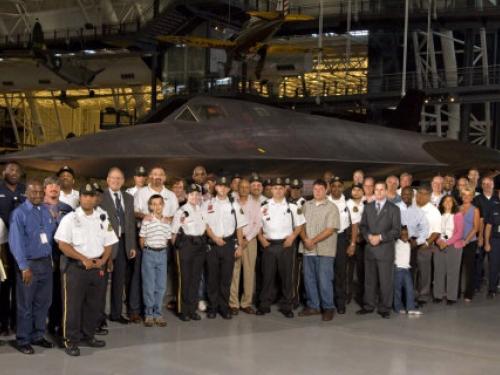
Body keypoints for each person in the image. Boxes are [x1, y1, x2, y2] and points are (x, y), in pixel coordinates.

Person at [54, 183, 118, 357]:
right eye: (85, 195)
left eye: (92, 196)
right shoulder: (70, 218)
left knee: (93, 305)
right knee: (72, 307)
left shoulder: (103, 217)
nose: (89, 199)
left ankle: (88, 336)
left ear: (96, 198)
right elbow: (62, 245)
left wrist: (103, 261)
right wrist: (83, 259)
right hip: (76, 269)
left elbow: (109, 242)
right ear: (80, 197)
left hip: (97, 268)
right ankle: (71, 340)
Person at [9, 180, 56, 354]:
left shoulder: (46, 210)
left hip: (45, 263)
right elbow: (16, 243)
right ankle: (23, 339)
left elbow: (49, 236)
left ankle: (38, 336)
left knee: (43, 303)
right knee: (25, 305)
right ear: (26, 193)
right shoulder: (19, 214)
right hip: (28, 265)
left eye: (39, 192)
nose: (37, 195)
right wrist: (23, 267)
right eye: (32, 192)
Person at [257, 177, 305, 318]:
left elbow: (300, 224)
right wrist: (261, 238)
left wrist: (291, 238)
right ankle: (264, 305)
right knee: (267, 277)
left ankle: (287, 306)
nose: (278, 190)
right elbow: (257, 225)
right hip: (268, 245)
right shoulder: (263, 206)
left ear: (285, 190)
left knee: (286, 278)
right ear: (271, 189)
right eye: (275, 188)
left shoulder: (292, 206)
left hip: (286, 245)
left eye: (281, 188)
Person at [204, 176, 247, 319]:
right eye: (220, 186)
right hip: (212, 245)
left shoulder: (235, 205)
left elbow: (240, 228)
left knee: (226, 278)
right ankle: (212, 307)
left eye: (225, 186)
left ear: (229, 189)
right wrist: (215, 238)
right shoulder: (207, 204)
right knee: (212, 278)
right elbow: (205, 225)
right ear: (215, 187)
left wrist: (240, 247)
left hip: (229, 245)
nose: (222, 188)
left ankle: (224, 307)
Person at [357, 181, 401, 319]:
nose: (379, 192)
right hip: (370, 249)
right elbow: (363, 226)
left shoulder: (394, 209)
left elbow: (396, 231)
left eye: (382, 190)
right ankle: (369, 306)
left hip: (385, 250)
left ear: (386, 191)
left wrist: (380, 237)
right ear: (374, 192)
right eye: (376, 190)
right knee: (369, 281)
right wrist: (368, 236)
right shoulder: (368, 207)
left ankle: (384, 308)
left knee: (385, 281)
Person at [100, 168, 138, 324]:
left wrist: (132, 245)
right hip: (106, 244)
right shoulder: (100, 197)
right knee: (102, 283)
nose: (116, 181)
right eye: (113, 178)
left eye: (119, 178)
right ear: (108, 180)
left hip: (123, 243)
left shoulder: (128, 198)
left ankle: (116, 314)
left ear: (123, 181)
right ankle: (99, 316)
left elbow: (130, 223)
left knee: (119, 280)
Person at [298, 179, 339, 321]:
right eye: (315, 189)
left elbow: (330, 229)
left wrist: (313, 241)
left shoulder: (332, 207)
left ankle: (328, 307)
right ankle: (313, 306)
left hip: (325, 250)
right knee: (309, 279)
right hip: (307, 248)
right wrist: (305, 240)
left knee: (324, 279)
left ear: (326, 190)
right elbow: (300, 225)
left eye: (321, 189)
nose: (317, 191)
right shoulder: (306, 206)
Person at [171, 183, 207, 322]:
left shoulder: (201, 210)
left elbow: (204, 228)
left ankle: (192, 309)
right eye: (192, 194)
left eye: (197, 194)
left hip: (199, 246)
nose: (195, 197)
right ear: (187, 195)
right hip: (185, 245)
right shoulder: (181, 211)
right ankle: (183, 310)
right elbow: (173, 233)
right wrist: (178, 249)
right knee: (184, 279)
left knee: (195, 279)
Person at [43, 177, 73, 336]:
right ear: (44, 189)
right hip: (43, 256)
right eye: (50, 185)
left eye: (56, 185)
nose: (53, 188)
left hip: (62, 256)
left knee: (59, 291)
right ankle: (41, 325)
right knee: (43, 292)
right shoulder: (38, 207)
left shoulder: (67, 209)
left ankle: (56, 323)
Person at [0, 161, 26, 335]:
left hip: (21, 246)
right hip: (2, 244)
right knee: (3, 285)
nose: (14, 172)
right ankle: (3, 323)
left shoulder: (25, 190)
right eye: (11, 169)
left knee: (19, 285)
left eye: (17, 170)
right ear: (4, 172)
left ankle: (17, 322)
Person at [229, 179, 261, 315]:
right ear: (237, 188)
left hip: (250, 240)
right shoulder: (231, 202)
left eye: (246, 187)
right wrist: (237, 240)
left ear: (249, 189)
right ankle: (233, 304)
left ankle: (246, 303)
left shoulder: (255, 204)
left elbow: (257, 224)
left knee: (248, 272)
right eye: (241, 187)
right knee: (234, 272)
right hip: (234, 240)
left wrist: (247, 239)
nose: (243, 189)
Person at [139, 195, 171, 327]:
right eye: (154, 204)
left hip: (162, 254)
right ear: (150, 206)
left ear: (163, 205)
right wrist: (147, 251)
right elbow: (142, 239)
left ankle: (158, 313)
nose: (157, 206)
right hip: (149, 254)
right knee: (149, 285)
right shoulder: (147, 220)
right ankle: (149, 314)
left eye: (159, 204)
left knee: (161, 286)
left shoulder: (167, 222)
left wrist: (161, 250)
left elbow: (168, 239)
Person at [328, 177, 356, 314]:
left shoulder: (349, 203)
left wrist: (352, 243)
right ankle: (328, 301)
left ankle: (340, 302)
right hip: (326, 239)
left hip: (341, 238)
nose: (337, 188)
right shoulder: (325, 201)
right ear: (330, 187)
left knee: (340, 272)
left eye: (339, 186)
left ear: (343, 187)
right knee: (327, 272)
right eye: (334, 186)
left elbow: (355, 224)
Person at [433, 195, 464, 304]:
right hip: (438, 245)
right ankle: (438, 295)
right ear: (442, 203)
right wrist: (438, 241)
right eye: (445, 201)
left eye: (450, 201)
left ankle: (451, 297)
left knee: (452, 272)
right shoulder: (438, 214)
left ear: (454, 203)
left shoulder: (458, 215)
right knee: (438, 271)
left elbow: (459, 233)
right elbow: (434, 230)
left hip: (453, 246)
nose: (447, 203)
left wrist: (446, 243)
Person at [414, 185, 441, 305]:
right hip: (410, 244)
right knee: (411, 271)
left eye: (424, 194)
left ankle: (423, 295)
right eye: (419, 192)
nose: (421, 196)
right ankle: (412, 294)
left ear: (429, 196)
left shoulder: (434, 211)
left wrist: (427, 243)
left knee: (424, 272)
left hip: (425, 245)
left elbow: (436, 231)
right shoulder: (412, 206)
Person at [397, 187, 429, 285]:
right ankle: (397, 297)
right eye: (404, 194)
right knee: (396, 270)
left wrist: (417, 242)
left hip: (412, 243)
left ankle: (408, 296)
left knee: (410, 270)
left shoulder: (419, 211)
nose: (406, 196)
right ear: (401, 195)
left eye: (409, 194)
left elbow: (425, 229)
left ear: (413, 195)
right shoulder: (394, 208)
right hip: (396, 243)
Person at [473, 177, 496, 292]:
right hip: (480, 234)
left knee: (495, 262)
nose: (487, 185)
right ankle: (477, 285)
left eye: (489, 183)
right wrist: (480, 236)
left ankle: (494, 284)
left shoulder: (497, 198)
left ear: (493, 185)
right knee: (478, 261)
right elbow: (476, 219)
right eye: (484, 184)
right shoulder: (477, 199)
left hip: (496, 236)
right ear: (481, 185)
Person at [393, 226, 422, 315]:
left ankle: (410, 308)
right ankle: (398, 307)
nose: (405, 235)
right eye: (402, 234)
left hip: (406, 270)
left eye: (406, 234)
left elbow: (419, 239)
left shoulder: (410, 244)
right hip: (398, 269)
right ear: (399, 235)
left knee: (409, 289)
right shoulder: (396, 243)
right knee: (397, 290)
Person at [460, 186, 480, 302]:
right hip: (458, 242)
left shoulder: (475, 210)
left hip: (470, 242)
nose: (466, 197)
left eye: (469, 195)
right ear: (461, 196)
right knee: (457, 268)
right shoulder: (458, 208)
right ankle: (456, 292)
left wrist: (466, 241)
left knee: (469, 269)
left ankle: (469, 293)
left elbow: (476, 228)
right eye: (464, 195)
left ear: (472, 197)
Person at [346, 183, 365, 305]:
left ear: (363, 192)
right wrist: (351, 239)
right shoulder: (346, 205)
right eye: (354, 189)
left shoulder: (367, 206)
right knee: (347, 270)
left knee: (362, 271)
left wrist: (361, 237)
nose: (356, 192)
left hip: (362, 242)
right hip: (348, 241)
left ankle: (361, 296)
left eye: (359, 190)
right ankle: (346, 295)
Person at [289, 178, 306, 308]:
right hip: (287, 240)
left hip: (298, 241)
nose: (295, 191)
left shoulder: (304, 203)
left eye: (297, 189)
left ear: (301, 190)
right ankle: (288, 296)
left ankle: (295, 299)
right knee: (288, 271)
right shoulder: (286, 202)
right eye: (293, 188)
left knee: (296, 272)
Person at [484, 182, 500, 298]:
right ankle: (492, 289)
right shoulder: (494, 208)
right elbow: (488, 226)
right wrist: (487, 242)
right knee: (493, 265)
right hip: (495, 241)